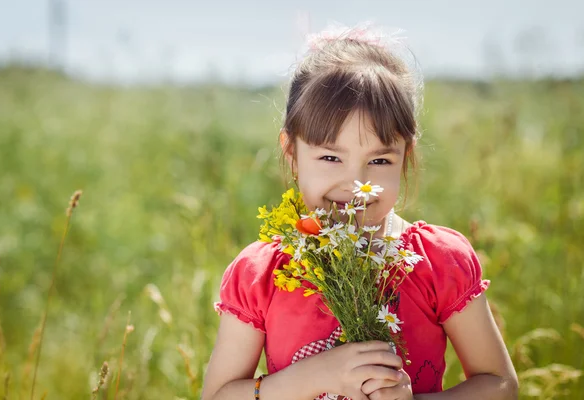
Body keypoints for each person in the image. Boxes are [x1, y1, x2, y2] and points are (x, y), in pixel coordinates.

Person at [201, 21, 518, 400]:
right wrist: (317, 376)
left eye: (380, 161)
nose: (355, 185)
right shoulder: (263, 274)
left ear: (406, 156)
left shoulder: (437, 262)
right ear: (292, 153)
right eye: (331, 157)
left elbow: (500, 385)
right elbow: (218, 395)